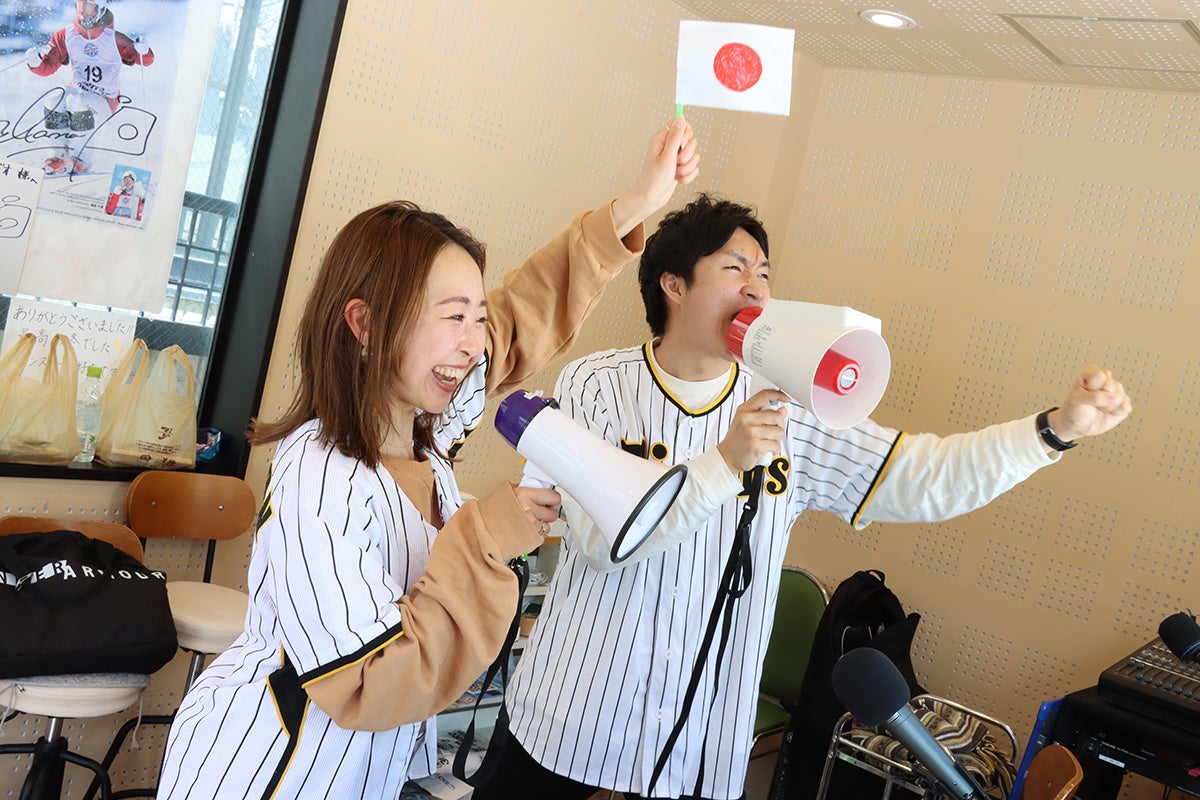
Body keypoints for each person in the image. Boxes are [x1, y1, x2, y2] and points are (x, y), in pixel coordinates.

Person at [472, 194, 1132, 800]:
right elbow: (602, 543)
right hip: (572, 711)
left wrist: (1052, 432)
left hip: (700, 737)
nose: (756, 286)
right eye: (734, 267)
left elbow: (923, 476)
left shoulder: (792, 406)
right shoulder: (596, 385)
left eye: (764, 272)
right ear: (673, 284)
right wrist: (725, 464)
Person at [154, 117, 700, 800]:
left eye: (476, 317)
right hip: (272, 773)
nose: (473, 344)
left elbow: (524, 311)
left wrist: (638, 203)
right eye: (452, 316)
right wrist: (487, 536)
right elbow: (371, 679)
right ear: (365, 324)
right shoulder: (319, 478)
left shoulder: (426, 428)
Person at [26, 1, 154, 175]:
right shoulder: (66, 35)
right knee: (54, 99)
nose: (84, 12)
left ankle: (81, 159)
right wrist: (35, 63)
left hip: (104, 99)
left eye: (89, 7)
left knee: (77, 102)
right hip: (78, 90)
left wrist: (144, 50)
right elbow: (48, 67)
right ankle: (59, 155)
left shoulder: (114, 38)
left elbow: (145, 60)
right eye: (81, 6)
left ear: (100, 10)